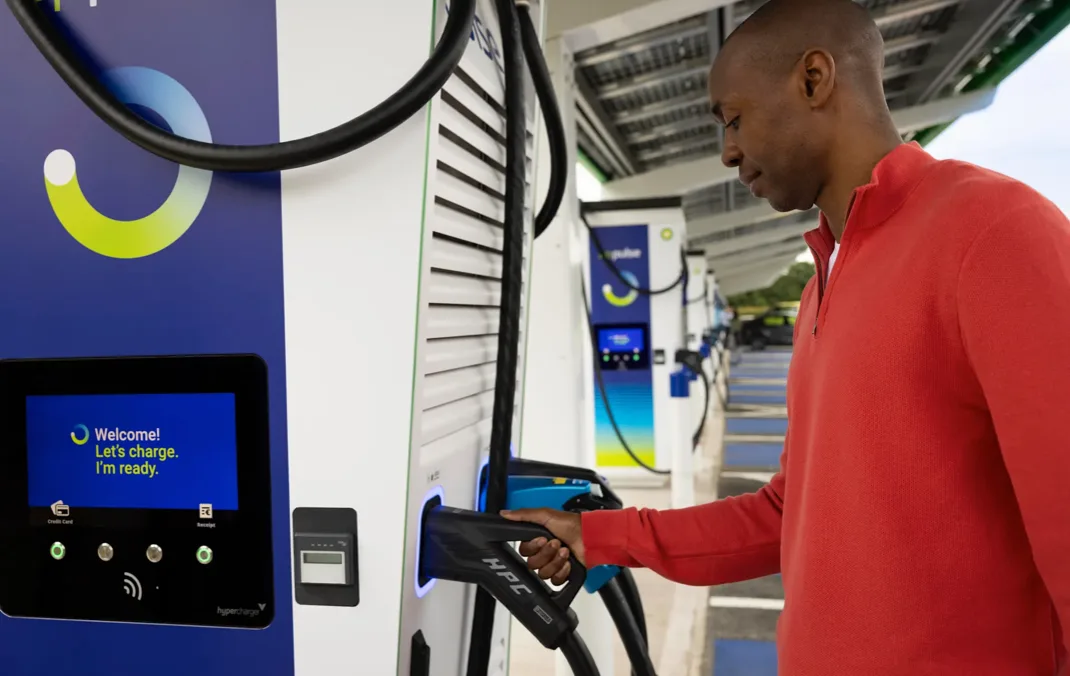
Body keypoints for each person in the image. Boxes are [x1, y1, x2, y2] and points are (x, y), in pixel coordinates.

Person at [503, 0, 1070, 673]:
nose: (727, 151)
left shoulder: (994, 233)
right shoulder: (820, 287)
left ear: (814, 78)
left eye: (734, 118)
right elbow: (787, 516)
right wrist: (596, 535)